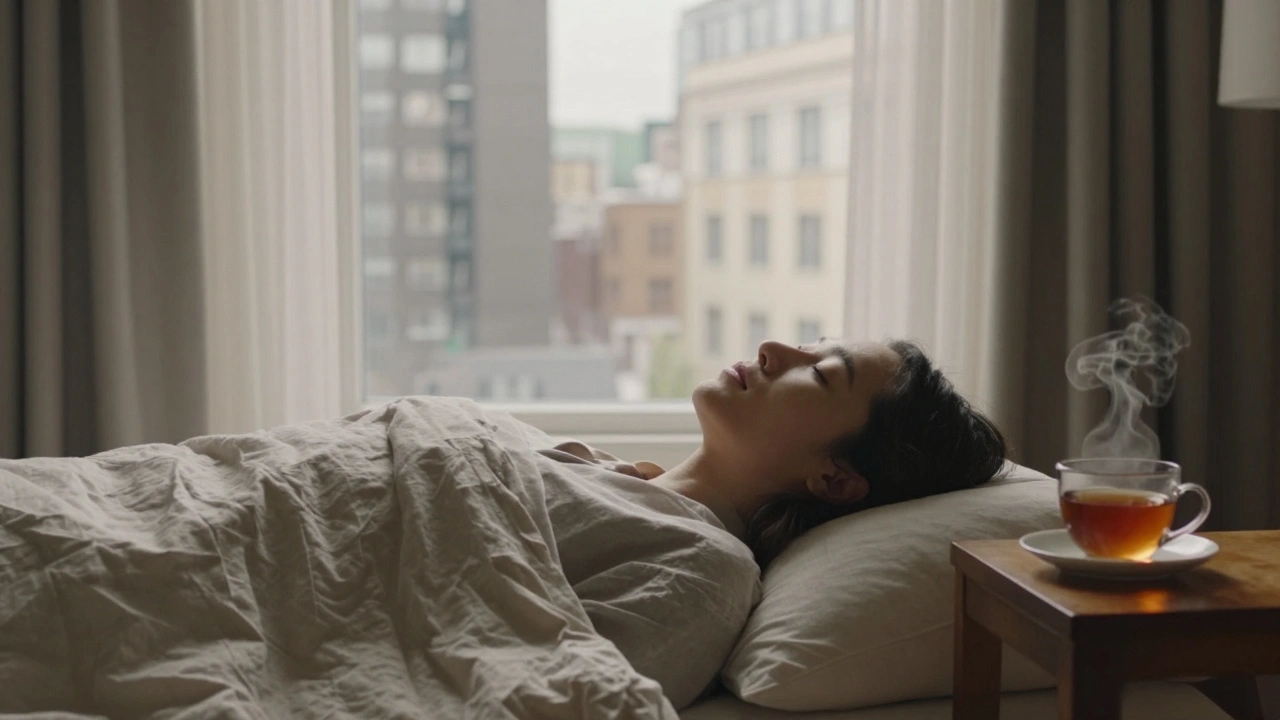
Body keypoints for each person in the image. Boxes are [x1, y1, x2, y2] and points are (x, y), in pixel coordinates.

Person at [566, 337, 1009, 569]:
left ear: (834, 478)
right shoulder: (601, 471)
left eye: (819, 373)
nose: (771, 349)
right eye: (808, 343)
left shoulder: (691, 567)